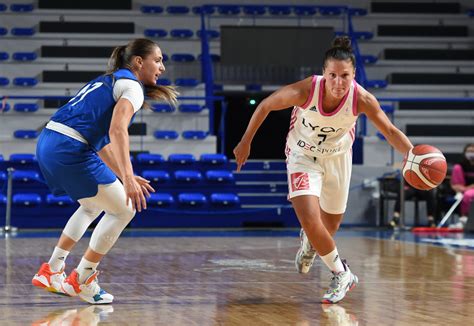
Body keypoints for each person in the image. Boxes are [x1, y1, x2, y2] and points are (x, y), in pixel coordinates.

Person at [233, 36, 413, 304]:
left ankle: (311, 242)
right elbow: (266, 105)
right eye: (333, 75)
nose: (339, 82)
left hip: (338, 158)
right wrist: (245, 141)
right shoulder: (307, 90)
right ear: (323, 73)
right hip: (302, 155)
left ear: (354, 75)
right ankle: (342, 274)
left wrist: (413, 156)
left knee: (327, 229)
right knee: (309, 217)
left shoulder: (361, 98)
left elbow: (389, 130)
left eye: (345, 76)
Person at [32, 38, 178, 304]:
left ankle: (52, 270)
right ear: (138, 62)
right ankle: (83, 278)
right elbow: (117, 131)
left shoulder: (107, 81)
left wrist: (126, 176)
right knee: (125, 208)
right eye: (157, 60)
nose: (162, 67)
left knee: (91, 206)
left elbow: (101, 144)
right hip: (69, 147)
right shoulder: (132, 87)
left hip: (49, 142)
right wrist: (129, 178)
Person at [450, 143, 474, 227]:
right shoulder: (460, 166)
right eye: (469, 151)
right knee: (467, 195)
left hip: (470, 189)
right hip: (465, 190)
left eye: (473, 151)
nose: (471, 153)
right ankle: (464, 217)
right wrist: (466, 188)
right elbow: (456, 185)